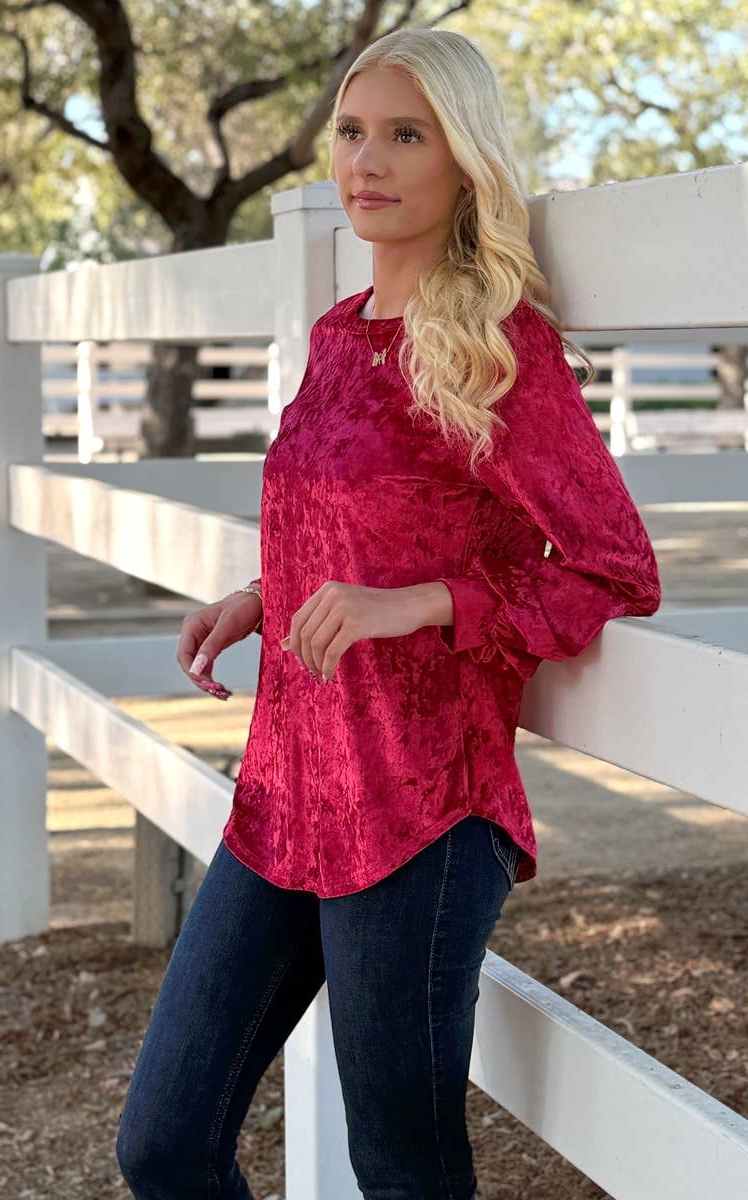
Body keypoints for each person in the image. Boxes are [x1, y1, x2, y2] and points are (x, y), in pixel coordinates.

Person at [116, 27, 661, 1200]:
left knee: (401, 1169)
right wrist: (264, 595)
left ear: (462, 163)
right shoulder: (333, 336)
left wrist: (424, 604)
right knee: (160, 1143)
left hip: (421, 806)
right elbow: (356, 518)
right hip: (284, 791)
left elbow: (613, 566)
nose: (365, 161)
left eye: (403, 135)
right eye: (352, 133)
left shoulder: (497, 348)